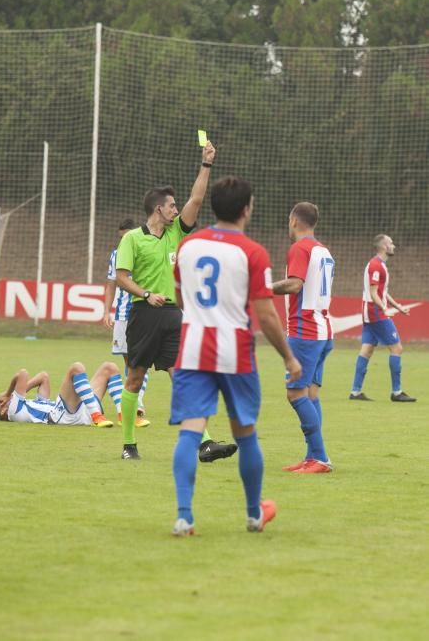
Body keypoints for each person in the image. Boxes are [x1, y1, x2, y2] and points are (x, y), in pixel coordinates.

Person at [169, 176, 301, 536]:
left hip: (193, 347)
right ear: (247, 209)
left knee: (190, 432)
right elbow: (268, 314)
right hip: (234, 351)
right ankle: (253, 514)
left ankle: (184, 516)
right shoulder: (252, 252)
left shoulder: (188, 246)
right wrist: (289, 357)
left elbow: (182, 300)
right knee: (245, 434)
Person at [115, 140, 237, 462]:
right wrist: (145, 293)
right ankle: (129, 445)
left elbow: (196, 198)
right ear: (158, 209)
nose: (175, 210)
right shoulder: (133, 238)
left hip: (173, 315)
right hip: (144, 314)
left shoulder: (175, 233)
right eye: (171, 206)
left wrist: (206, 164)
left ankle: (205, 443)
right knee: (135, 378)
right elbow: (121, 276)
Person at [272, 202, 334, 474]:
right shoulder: (323, 250)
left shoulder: (300, 248)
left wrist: (263, 288)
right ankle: (312, 457)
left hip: (305, 331)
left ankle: (320, 457)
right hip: (324, 330)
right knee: (310, 394)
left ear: (294, 220)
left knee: (295, 393)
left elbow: (295, 284)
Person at [349, 234, 416, 402]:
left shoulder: (379, 265)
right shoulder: (376, 266)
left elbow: (382, 292)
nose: (394, 246)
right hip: (375, 313)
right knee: (397, 348)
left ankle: (355, 392)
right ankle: (397, 392)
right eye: (391, 243)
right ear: (384, 246)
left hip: (371, 312)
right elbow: (373, 293)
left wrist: (397, 307)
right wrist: (384, 309)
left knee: (367, 349)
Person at [103, 218, 150, 428]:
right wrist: (106, 311)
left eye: (127, 237)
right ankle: (132, 405)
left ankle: (134, 406)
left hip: (143, 312)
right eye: (121, 238)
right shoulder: (116, 255)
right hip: (122, 315)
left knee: (141, 360)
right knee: (129, 363)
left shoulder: (146, 251)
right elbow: (111, 284)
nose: (124, 241)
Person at [0, 362, 125, 426]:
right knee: (76, 369)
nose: (2, 400)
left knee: (109, 368)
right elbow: (22, 374)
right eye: (0, 403)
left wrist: (18, 392)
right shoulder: (13, 412)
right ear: (3, 410)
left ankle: (123, 415)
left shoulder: (29, 405)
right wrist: (9, 393)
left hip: (80, 409)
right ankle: (97, 416)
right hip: (62, 416)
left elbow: (43, 377)